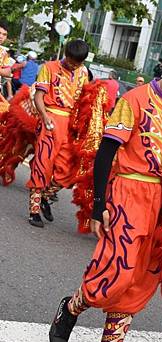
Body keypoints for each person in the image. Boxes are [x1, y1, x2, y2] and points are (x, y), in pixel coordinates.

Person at [47, 45, 162, 342]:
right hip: (129, 189)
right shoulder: (134, 99)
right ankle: (72, 306)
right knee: (116, 268)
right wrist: (98, 204)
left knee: (143, 276)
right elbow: (107, 151)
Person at [26, 39, 90, 228]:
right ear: (66, 55)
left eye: (77, 63)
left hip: (71, 125)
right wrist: (45, 117)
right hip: (51, 120)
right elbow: (39, 96)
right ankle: (34, 211)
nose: (73, 66)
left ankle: (45, 197)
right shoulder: (49, 67)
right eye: (71, 61)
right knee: (42, 165)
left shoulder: (84, 72)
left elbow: (85, 100)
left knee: (68, 170)